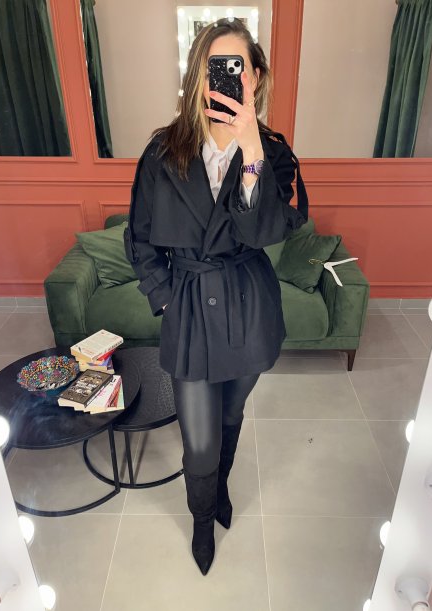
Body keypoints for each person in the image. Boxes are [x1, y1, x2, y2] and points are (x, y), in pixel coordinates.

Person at [124, 17, 309, 575]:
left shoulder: (272, 152)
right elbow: (140, 237)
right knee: (199, 440)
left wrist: (251, 148)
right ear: (197, 76)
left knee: (232, 413)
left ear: (255, 77)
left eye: (237, 68)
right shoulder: (163, 151)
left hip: (249, 305)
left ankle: (221, 489)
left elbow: (267, 230)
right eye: (213, 68)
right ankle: (203, 520)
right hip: (189, 308)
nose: (225, 79)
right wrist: (164, 299)